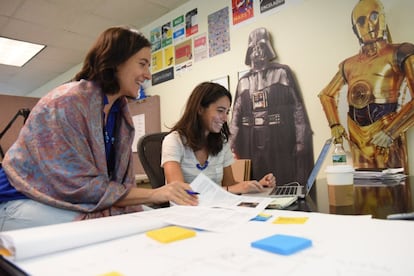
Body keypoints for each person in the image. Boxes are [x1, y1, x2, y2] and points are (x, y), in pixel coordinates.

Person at [0, 26, 198, 231]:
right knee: (104, 229)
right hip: (21, 197)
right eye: (142, 64)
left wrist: (150, 197)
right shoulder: (67, 102)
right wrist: (155, 193)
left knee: (158, 225)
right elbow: (77, 186)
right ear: (116, 61)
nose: (148, 75)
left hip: (78, 199)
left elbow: (115, 185)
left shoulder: (119, 113)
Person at [318, 0, 414, 170]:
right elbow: (326, 94)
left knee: (393, 190)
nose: (370, 24)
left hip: (384, 132)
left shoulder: (400, 52)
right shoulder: (349, 64)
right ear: (356, 29)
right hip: (356, 136)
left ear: (383, 18)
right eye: (361, 21)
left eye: (375, 16)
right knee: (363, 189)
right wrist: (334, 125)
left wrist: (391, 131)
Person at [230, 27, 314, 186]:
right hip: (251, 139)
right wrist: (231, 145)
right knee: (255, 182)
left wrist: (301, 139)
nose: (257, 52)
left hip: (278, 138)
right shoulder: (244, 81)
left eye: (261, 46)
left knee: (282, 179)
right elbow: (235, 117)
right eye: (253, 48)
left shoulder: (281, 72)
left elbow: (297, 108)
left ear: (268, 48)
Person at [162, 82, 276, 194]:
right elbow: (178, 191)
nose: (225, 118)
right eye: (220, 111)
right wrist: (231, 189)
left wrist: (257, 185)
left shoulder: (221, 142)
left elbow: (230, 184)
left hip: (217, 208)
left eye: (227, 112)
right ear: (200, 109)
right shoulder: (173, 141)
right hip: (187, 211)